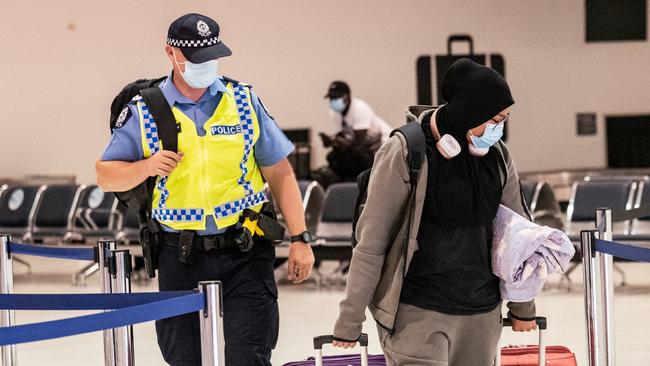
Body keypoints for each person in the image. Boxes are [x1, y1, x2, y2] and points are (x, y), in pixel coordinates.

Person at [96, 13, 315, 366]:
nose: (206, 65)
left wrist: (301, 239)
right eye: (197, 59)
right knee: (185, 358)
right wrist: (146, 167)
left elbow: (281, 173)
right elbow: (106, 175)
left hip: (246, 251)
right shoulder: (144, 110)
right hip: (179, 255)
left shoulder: (243, 101)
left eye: (212, 56)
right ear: (171, 53)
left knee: (250, 355)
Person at [331, 59, 537, 366]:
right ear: (469, 110)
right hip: (417, 313)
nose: (498, 129)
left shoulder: (497, 156)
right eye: (494, 119)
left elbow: (518, 235)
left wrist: (523, 307)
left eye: (504, 119)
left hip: (481, 314)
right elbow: (372, 242)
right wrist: (350, 320)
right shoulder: (405, 151)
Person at [319, 81, 392, 182]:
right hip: (364, 147)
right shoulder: (335, 113)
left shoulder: (360, 109)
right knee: (334, 156)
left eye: (335, 98)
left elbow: (358, 143)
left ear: (346, 97)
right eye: (331, 98)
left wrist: (340, 142)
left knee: (361, 159)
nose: (332, 101)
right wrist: (331, 141)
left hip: (381, 145)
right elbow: (343, 135)